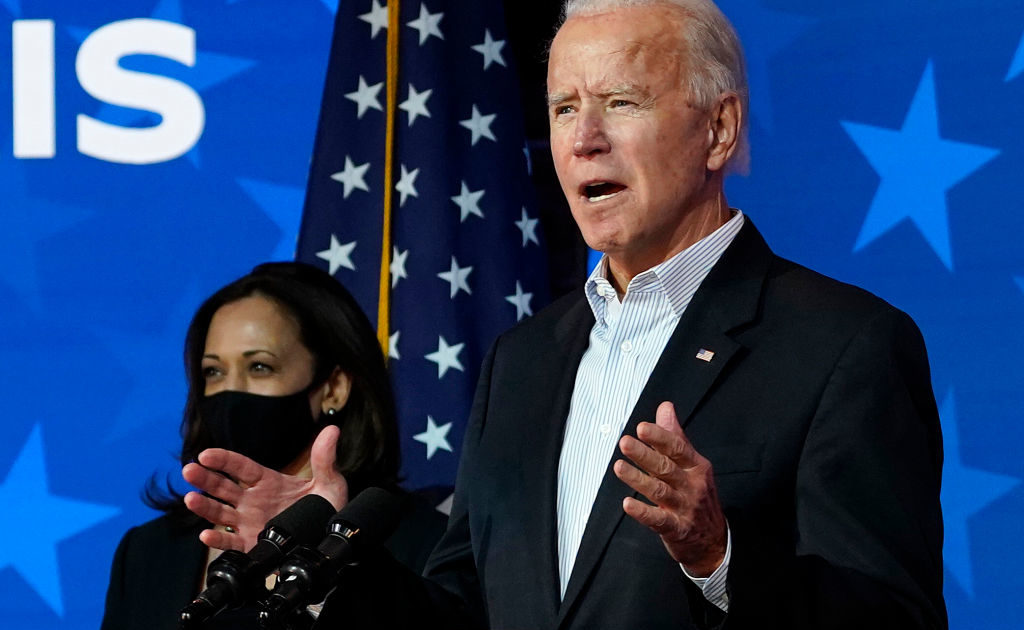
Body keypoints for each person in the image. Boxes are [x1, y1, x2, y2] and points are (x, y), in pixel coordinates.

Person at [195, 1, 947, 628]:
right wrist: (329, 564)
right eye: (563, 108)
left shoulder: (844, 345)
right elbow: (459, 613)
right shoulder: (522, 360)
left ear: (719, 128)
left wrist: (720, 557)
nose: (585, 139)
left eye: (622, 102)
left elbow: (895, 618)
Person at [100, 262, 447, 630]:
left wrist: (326, 566)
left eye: (260, 367)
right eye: (214, 371)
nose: (232, 391)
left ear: (334, 387)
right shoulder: (147, 552)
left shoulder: (426, 542)